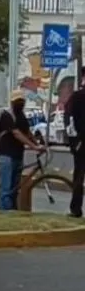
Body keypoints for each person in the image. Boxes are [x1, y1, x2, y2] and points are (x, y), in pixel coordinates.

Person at [0, 89, 44, 211]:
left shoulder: (21, 115)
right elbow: (17, 133)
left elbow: (27, 132)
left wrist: (37, 144)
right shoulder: (7, 115)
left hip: (17, 155)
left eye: (22, 101)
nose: (20, 103)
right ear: (12, 102)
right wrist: (33, 147)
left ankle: (13, 212)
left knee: (14, 189)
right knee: (6, 190)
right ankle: (5, 218)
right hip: (6, 155)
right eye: (18, 101)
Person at [66, 78, 85, 218]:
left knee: (78, 176)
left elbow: (68, 121)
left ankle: (75, 209)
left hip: (80, 144)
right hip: (81, 143)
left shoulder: (75, 97)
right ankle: (75, 208)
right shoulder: (77, 97)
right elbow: (69, 120)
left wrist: (74, 142)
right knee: (78, 177)